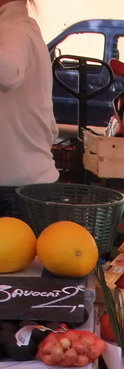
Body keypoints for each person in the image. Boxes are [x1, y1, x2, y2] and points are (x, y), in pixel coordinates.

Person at [0, 0, 58, 218]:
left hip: (15, 191)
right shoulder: (22, 28)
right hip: (30, 184)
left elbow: (9, 74)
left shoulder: (15, 29)